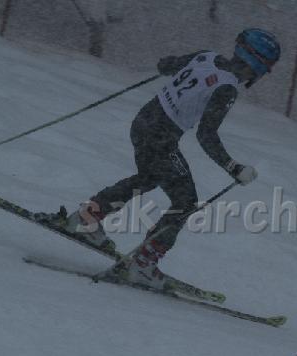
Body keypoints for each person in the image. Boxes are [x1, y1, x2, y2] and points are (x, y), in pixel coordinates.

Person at [54, 28, 280, 289]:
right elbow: (206, 135)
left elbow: (166, 65)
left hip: (143, 123)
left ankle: (87, 218)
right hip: (161, 138)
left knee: (148, 178)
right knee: (185, 202)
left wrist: (173, 71)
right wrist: (233, 167)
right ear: (256, 66)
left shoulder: (206, 56)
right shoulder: (227, 88)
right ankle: (143, 264)